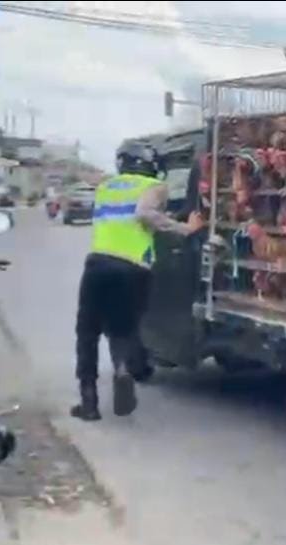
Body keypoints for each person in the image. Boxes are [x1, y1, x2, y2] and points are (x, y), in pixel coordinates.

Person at [71, 139, 203, 421]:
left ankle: (89, 402)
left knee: (87, 332)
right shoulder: (154, 186)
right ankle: (122, 369)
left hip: (98, 264)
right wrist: (185, 228)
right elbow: (145, 214)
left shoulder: (105, 187)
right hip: (133, 269)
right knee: (123, 328)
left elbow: (125, 217)